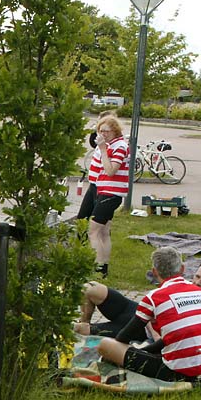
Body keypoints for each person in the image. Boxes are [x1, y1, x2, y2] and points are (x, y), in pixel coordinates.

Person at [98, 247, 201, 381]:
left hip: (181, 374)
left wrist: (137, 351)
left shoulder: (154, 297)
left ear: (154, 272)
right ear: (182, 269)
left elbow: (123, 338)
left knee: (106, 345)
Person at [75, 257, 201, 339]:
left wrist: (154, 337)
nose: (197, 282)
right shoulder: (181, 286)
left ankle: (81, 330)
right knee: (90, 288)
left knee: (81, 330)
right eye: (197, 277)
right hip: (137, 311)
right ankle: (84, 320)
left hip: (140, 330)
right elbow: (150, 304)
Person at [77, 116, 128, 279]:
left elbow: (111, 171)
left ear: (115, 131)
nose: (103, 134)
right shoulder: (106, 144)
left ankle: (98, 269)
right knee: (103, 230)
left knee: (93, 231)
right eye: (100, 131)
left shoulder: (119, 146)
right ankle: (103, 267)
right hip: (97, 187)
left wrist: (104, 149)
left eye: (106, 131)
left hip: (111, 192)